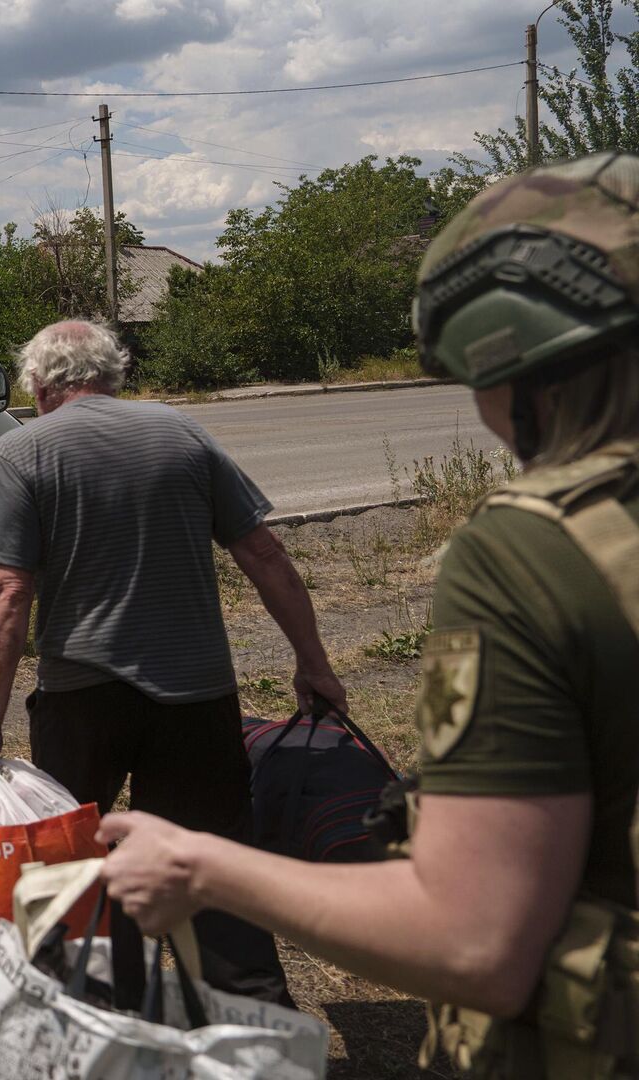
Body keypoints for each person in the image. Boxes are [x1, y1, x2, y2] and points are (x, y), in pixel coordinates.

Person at [97, 152, 639, 1077]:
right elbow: (261, 544)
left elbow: (476, 943)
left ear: (511, 344)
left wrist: (198, 869)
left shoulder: (540, 552)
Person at [0, 318, 347, 1004]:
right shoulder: (182, 433)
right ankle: (251, 1029)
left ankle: (95, 1019)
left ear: (40, 385)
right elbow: (265, 554)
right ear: (112, 374)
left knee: (72, 868)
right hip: (195, 695)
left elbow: (9, 588)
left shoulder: (24, 453)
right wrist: (315, 664)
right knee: (215, 871)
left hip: (81, 697)